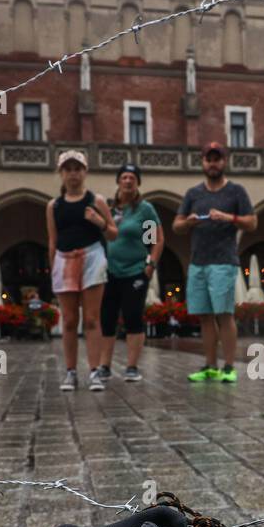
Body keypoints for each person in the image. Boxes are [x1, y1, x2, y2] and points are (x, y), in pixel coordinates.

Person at [173, 142, 256, 383]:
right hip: (198, 261)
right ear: (202, 162)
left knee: (224, 313)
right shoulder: (193, 194)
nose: (213, 163)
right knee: (205, 316)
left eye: (217, 159)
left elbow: (252, 223)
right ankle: (210, 365)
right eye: (208, 159)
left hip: (223, 261)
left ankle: (229, 366)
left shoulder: (236, 191)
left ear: (224, 162)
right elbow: (176, 226)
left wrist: (228, 217)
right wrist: (188, 222)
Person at [46, 149, 117, 392]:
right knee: (68, 320)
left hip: (92, 257)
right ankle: (71, 371)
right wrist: (53, 265)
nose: (73, 174)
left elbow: (113, 233)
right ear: (61, 174)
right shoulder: (53, 206)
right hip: (64, 259)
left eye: (78, 169)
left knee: (91, 318)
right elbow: (52, 240)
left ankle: (95, 371)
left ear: (85, 172)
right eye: (68, 169)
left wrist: (99, 222)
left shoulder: (96, 200)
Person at [99, 163, 163, 382]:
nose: (128, 181)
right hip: (110, 272)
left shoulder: (144, 210)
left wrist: (150, 266)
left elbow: (154, 241)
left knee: (132, 317)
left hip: (135, 272)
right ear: (118, 181)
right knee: (107, 318)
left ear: (138, 184)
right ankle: (104, 366)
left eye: (132, 178)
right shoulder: (109, 208)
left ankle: (132, 367)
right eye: (124, 177)